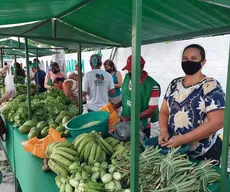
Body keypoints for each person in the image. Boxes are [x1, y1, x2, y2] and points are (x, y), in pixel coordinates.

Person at [158, 44, 225, 164]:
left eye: (194, 59)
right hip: (177, 151)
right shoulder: (174, 84)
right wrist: (163, 131)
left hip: (204, 153)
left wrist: (183, 139)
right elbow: (164, 111)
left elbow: (218, 122)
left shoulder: (210, 86)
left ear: (203, 62)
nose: (188, 62)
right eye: (185, 58)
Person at [114, 55, 161, 138]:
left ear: (142, 67)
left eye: (133, 69)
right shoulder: (127, 78)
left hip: (142, 126)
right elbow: (126, 97)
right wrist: (116, 106)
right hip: (125, 123)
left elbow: (152, 110)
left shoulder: (152, 86)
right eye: (129, 69)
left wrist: (131, 118)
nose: (130, 72)